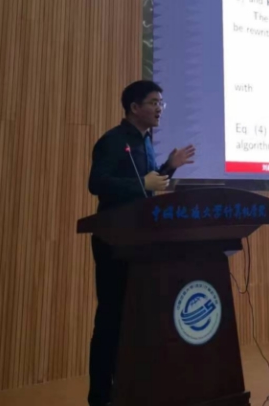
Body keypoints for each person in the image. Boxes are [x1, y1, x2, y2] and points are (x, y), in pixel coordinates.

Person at [86, 80, 195, 406]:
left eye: (162, 102)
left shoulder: (146, 142)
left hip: (140, 241)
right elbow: (97, 183)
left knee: (135, 318)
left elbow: (148, 186)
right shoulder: (112, 140)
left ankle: (129, 388)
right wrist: (142, 182)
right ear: (134, 107)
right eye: (153, 102)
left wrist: (169, 167)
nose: (160, 108)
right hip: (114, 241)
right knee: (111, 319)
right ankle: (100, 397)